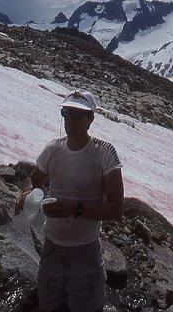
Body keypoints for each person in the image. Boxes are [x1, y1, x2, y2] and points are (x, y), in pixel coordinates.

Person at [15, 88, 124, 312]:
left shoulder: (104, 153)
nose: (71, 120)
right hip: (52, 247)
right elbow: (34, 180)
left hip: (85, 250)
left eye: (78, 115)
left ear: (90, 119)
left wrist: (75, 209)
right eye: (66, 113)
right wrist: (25, 194)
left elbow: (116, 208)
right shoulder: (53, 149)